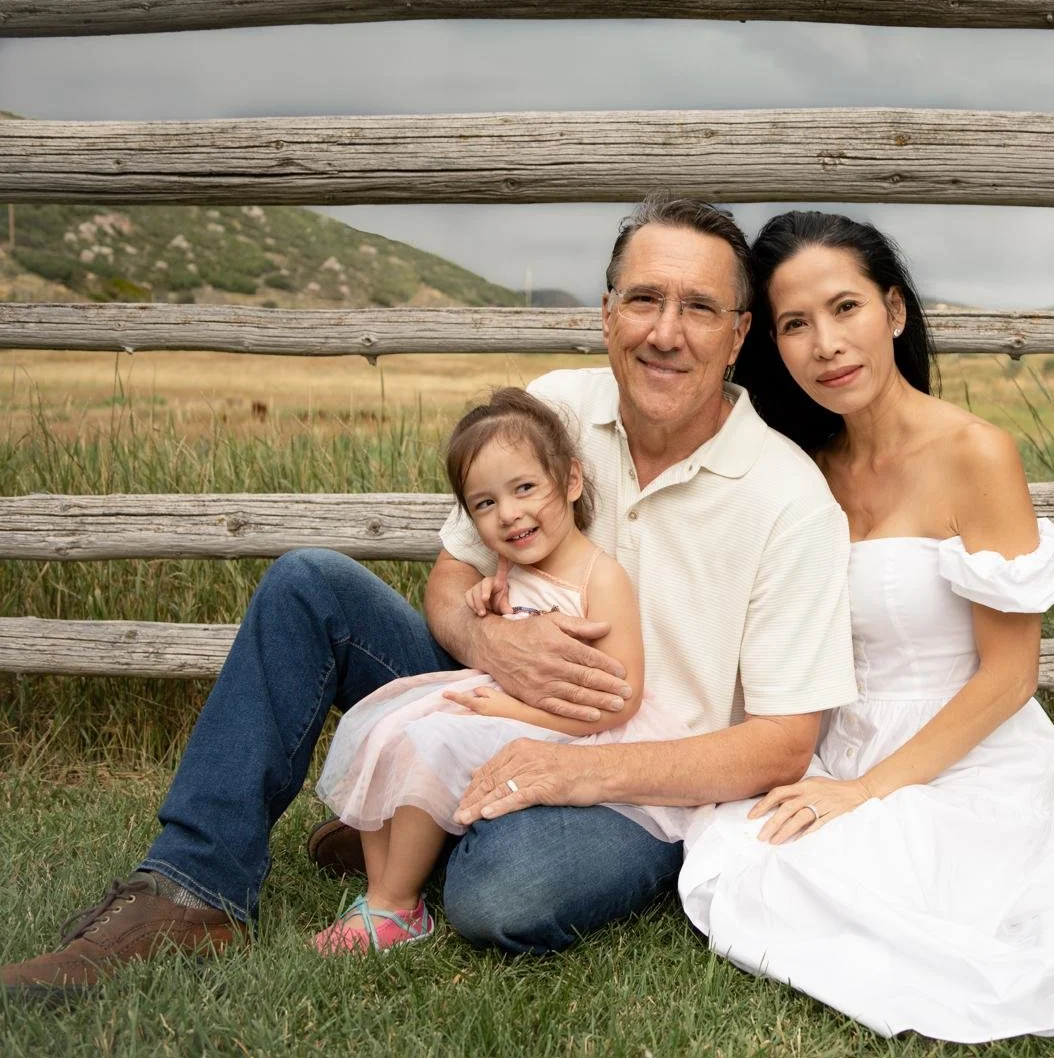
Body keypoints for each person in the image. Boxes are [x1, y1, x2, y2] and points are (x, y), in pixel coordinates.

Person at [1, 197, 857, 999]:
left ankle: (422, 821)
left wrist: (576, 767)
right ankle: (191, 889)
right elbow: (449, 580)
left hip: (644, 784)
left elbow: (782, 746)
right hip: (487, 703)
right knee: (308, 583)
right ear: (607, 314)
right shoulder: (555, 407)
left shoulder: (787, 498)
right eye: (643, 299)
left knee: (504, 896)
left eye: (699, 308)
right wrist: (490, 647)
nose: (665, 332)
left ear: (739, 333)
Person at [676, 211, 1054, 1042]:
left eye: (846, 309)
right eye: (795, 324)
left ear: (896, 312)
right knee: (747, 852)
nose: (826, 344)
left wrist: (871, 791)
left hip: (969, 754)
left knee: (850, 886)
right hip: (843, 739)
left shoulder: (976, 453)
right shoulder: (806, 466)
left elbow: (1010, 677)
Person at [310, 386, 700, 955]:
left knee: (432, 743)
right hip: (504, 703)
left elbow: (620, 700)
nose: (509, 514)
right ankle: (383, 895)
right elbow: (503, 621)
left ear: (569, 482)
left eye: (524, 489)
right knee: (383, 727)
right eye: (485, 504)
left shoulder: (600, 578)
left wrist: (509, 707)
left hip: (576, 730)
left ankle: (397, 904)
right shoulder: (506, 565)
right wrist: (487, 608)